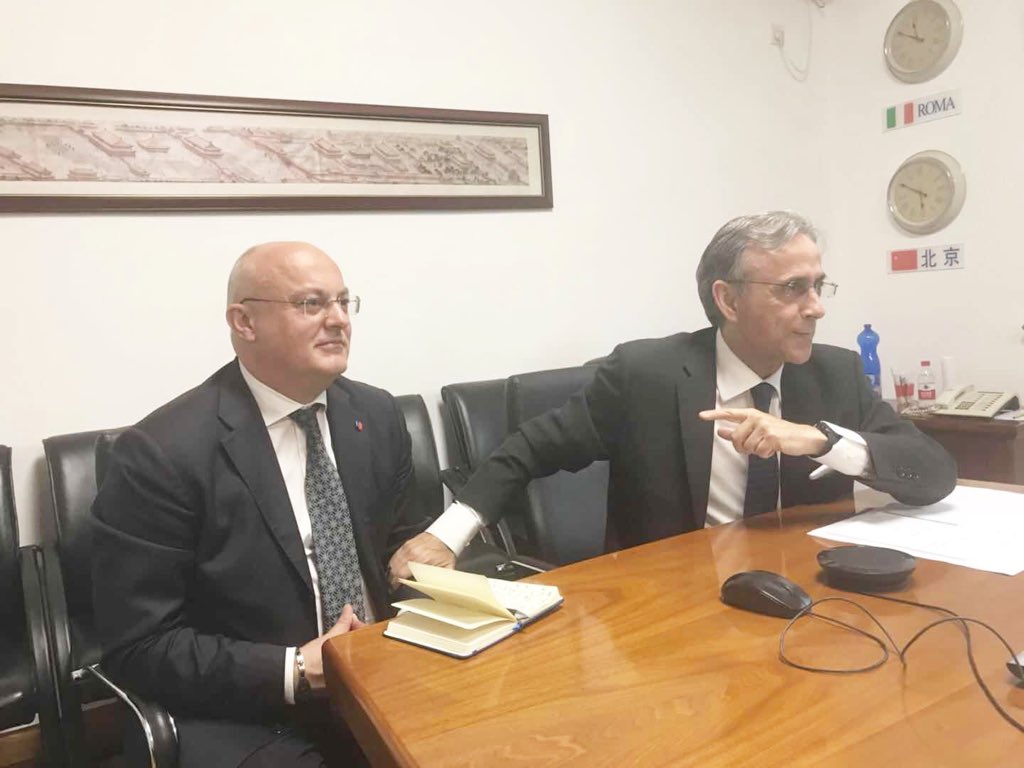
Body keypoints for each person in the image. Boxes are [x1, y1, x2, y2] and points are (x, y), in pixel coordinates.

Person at [389, 211, 957, 576]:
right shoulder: (646, 375)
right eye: (793, 289)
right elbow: (528, 449)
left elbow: (933, 473)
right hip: (673, 602)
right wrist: (447, 535)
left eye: (818, 286)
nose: (817, 308)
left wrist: (822, 440)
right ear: (727, 300)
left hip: (807, 592)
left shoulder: (834, 374)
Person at [92, 242, 453, 767]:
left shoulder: (375, 414)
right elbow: (139, 646)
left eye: (343, 302)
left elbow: (399, 541)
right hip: (251, 707)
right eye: (311, 304)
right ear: (244, 322)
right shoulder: (161, 453)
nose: (338, 320)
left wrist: (441, 572)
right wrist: (296, 670)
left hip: (384, 669)